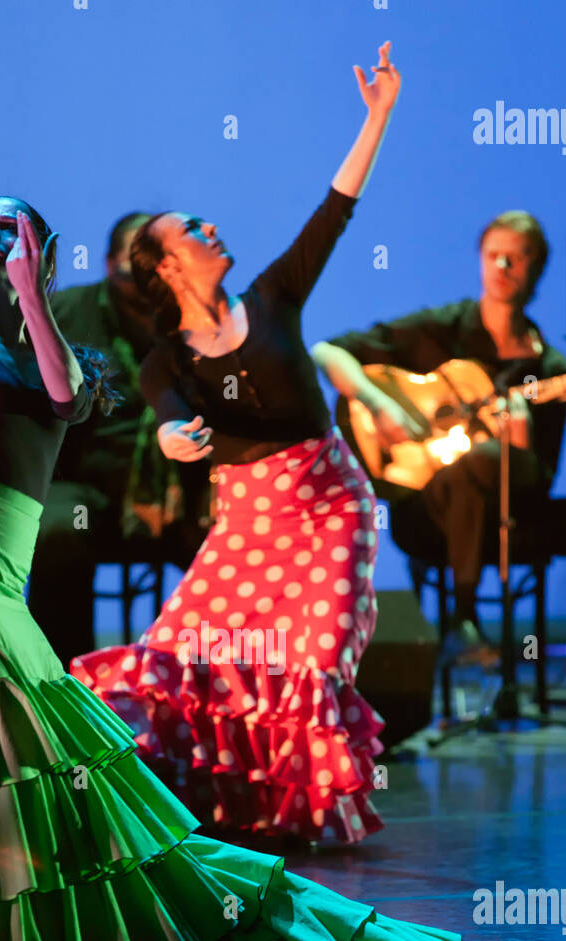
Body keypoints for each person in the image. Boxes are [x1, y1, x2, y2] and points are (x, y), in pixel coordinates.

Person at [0, 34, 461, 941]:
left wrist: (34, 298)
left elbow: (54, 390)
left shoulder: (78, 356)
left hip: (6, 564)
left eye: (13, 231)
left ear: (46, 257)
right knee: (15, 749)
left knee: (26, 755)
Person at [70, 43, 404, 849]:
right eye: (191, 229)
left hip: (329, 506)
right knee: (180, 660)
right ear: (164, 265)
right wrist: (181, 442)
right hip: (249, 523)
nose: (209, 227)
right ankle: (202, 815)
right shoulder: (166, 360)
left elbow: (336, 208)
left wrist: (378, 116)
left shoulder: (276, 294)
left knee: (312, 661)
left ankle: (295, 816)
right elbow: (170, 419)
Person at [312, 211, 566, 724]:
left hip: (516, 518)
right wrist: (381, 404)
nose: (502, 265)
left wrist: (517, 445)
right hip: (428, 516)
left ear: (537, 269)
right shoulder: (442, 330)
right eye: (493, 254)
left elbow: (543, 477)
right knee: (477, 458)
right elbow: (328, 351)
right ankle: (463, 618)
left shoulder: (551, 370)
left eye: (517, 257)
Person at [28, 214, 213, 665]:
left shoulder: (199, 316)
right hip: (87, 487)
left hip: (180, 489)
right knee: (58, 530)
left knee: (241, 533)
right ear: (110, 265)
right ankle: (66, 687)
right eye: (136, 267)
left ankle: (223, 694)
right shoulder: (66, 315)